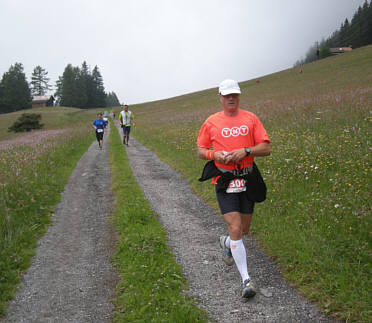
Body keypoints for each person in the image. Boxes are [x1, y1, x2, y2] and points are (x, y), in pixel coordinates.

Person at [196, 79, 271, 300]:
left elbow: (266, 148)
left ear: (239, 96)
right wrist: (214, 154)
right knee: (236, 227)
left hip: (247, 178)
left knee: (243, 230)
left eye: (235, 95)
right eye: (227, 95)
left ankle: (227, 242)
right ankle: (246, 280)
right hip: (224, 180)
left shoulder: (251, 119)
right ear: (219, 96)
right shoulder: (211, 122)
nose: (231, 98)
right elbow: (200, 150)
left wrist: (246, 151)